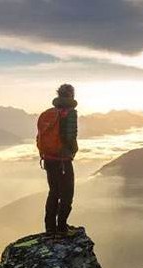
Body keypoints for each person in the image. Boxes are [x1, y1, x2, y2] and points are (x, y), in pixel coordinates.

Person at [37, 84, 78, 237]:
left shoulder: (50, 114)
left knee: (54, 192)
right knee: (67, 194)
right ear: (71, 96)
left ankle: (50, 228)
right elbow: (70, 137)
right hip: (63, 160)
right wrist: (73, 151)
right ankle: (61, 228)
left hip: (48, 159)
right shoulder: (70, 113)